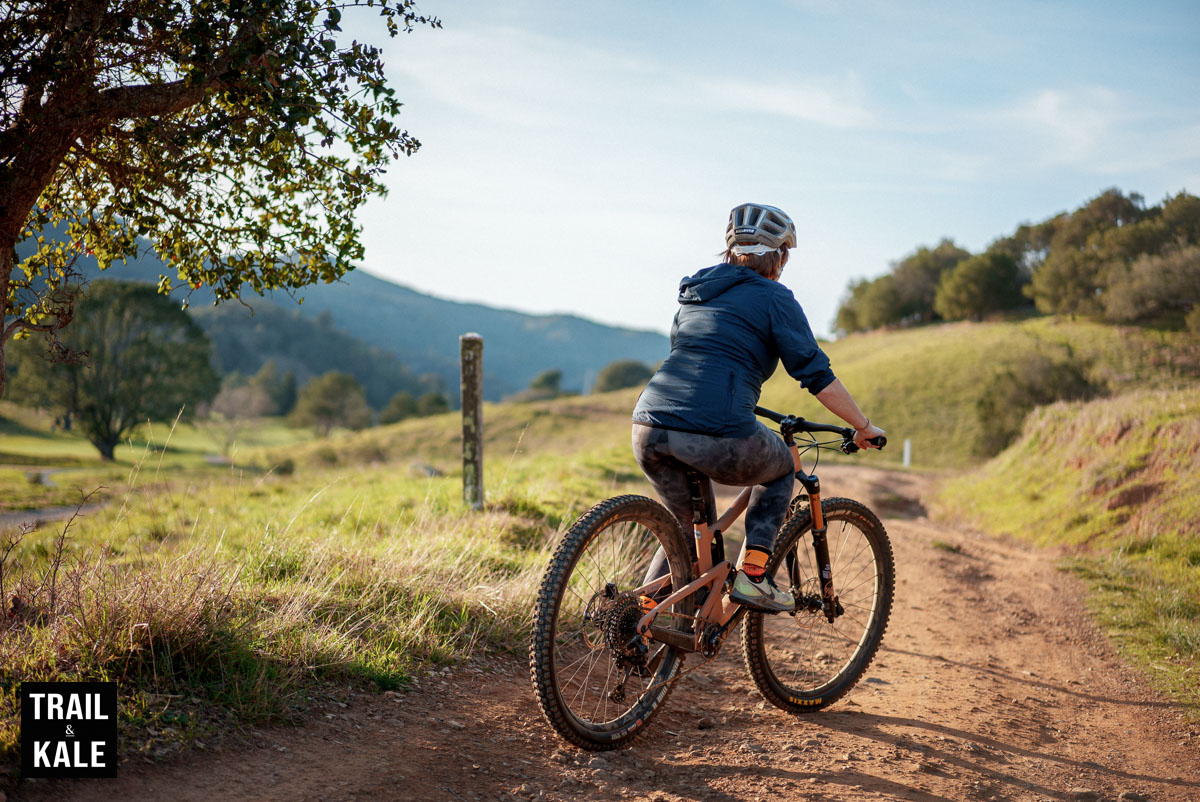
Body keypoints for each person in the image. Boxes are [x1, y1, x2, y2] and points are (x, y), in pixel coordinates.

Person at [632, 202, 885, 613]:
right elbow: (816, 374)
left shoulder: (694, 295)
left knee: (687, 530)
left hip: (648, 424)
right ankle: (754, 578)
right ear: (779, 256)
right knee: (784, 465)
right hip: (714, 430)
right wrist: (862, 425)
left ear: (730, 251)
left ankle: (641, 615)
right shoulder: (774, 298)